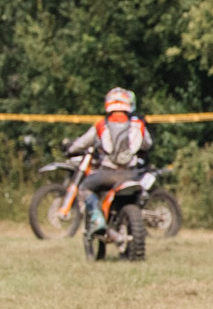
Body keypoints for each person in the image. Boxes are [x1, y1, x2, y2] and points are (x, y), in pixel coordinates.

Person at [63, 88, 151, 232]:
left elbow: (82, 143)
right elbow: (147, 144)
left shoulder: (101, 124)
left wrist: (70, 149)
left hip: (108, 174)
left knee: (85, 187)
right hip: (131, 174)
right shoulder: (138, 124)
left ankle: (97, 217)